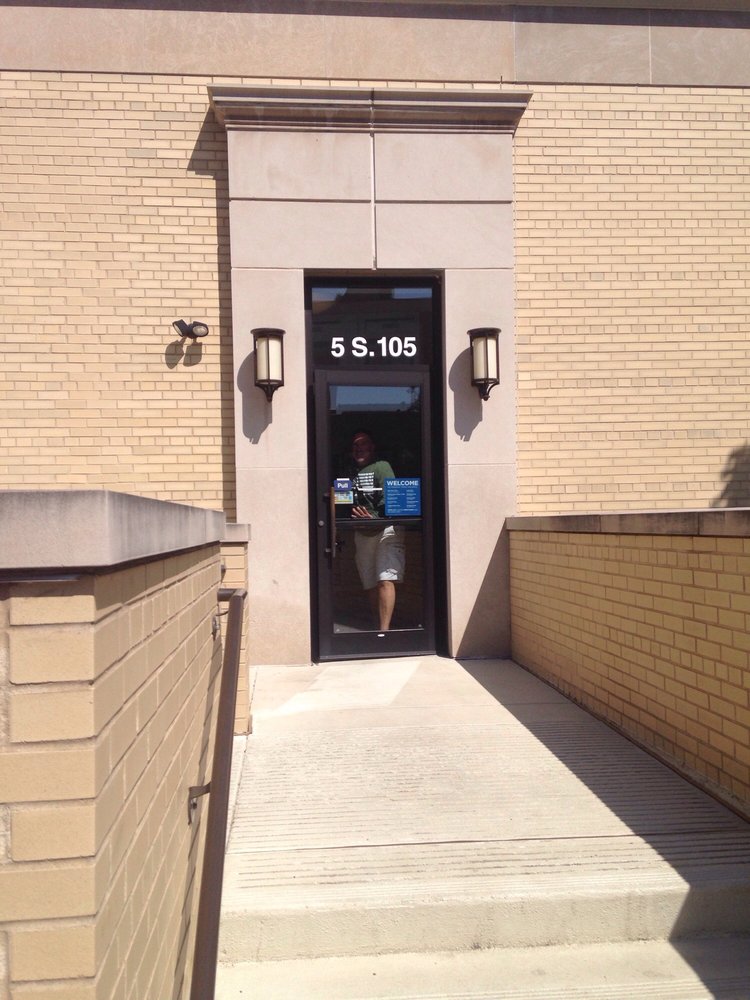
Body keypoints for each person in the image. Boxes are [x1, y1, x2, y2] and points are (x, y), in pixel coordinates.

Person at [348, 430, 405, 631]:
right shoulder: (351, 472)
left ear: (372, 447)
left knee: (385, 578)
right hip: (362, 531)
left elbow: (393, 497)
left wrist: (375, 518)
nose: (359, 448)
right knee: (370, 583)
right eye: (355, 445)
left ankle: (384, 632)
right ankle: (377, 628)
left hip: (385, 529)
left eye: (363, 444)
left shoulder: (382, 466)